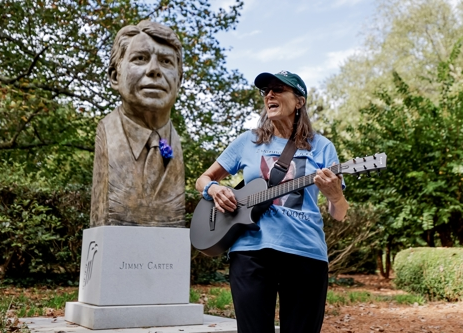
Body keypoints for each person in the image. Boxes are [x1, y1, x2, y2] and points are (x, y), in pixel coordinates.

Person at [195, 70, 349, 333]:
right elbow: (204, 178)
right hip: (250, 252)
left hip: (305, 253)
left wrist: (335, 195)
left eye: (279, 89)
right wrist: (213, 189)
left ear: (299, 101)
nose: (270, 94)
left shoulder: (322, 146)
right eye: (266, 90)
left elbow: (340, 214)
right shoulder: (248, 141)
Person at [90, 21, 186, 228]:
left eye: (166, 61)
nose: (154, 70)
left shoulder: (174, 144)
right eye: (140, 59)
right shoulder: (108, 133)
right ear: (115, 76)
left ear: (179, 80)